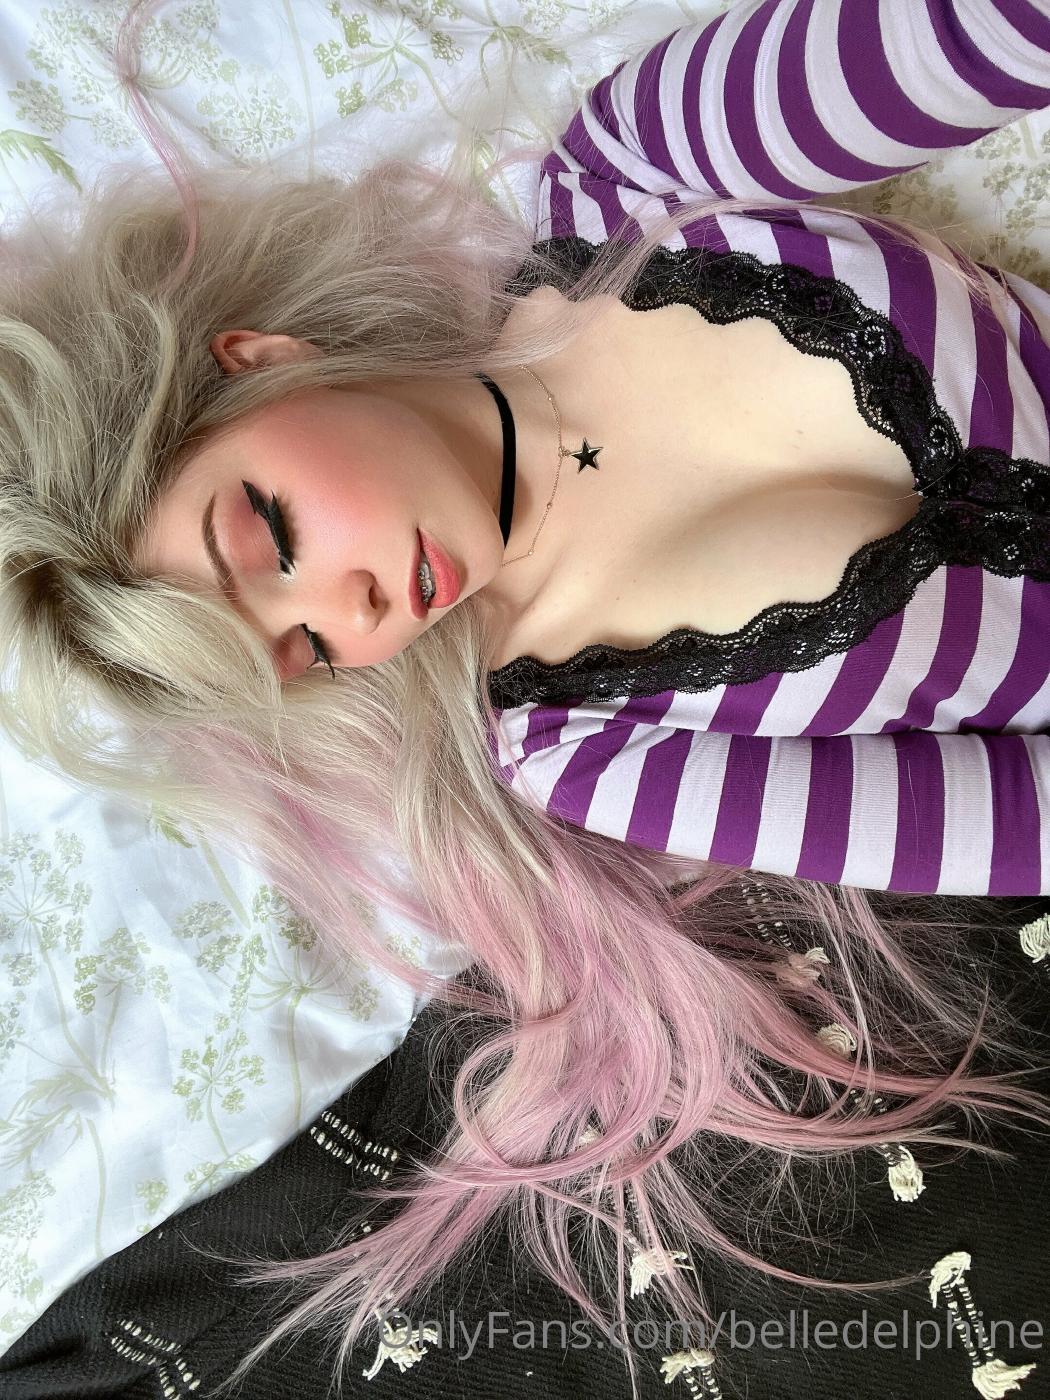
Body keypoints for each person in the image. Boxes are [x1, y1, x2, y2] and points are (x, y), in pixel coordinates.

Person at [0, 0, 1049, 1396]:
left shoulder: (627, 179)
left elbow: (973, 35)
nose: (350, 612)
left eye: (271, 533)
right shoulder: (585, 749)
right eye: (303, 649)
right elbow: (1011, 819)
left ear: (259, 363)